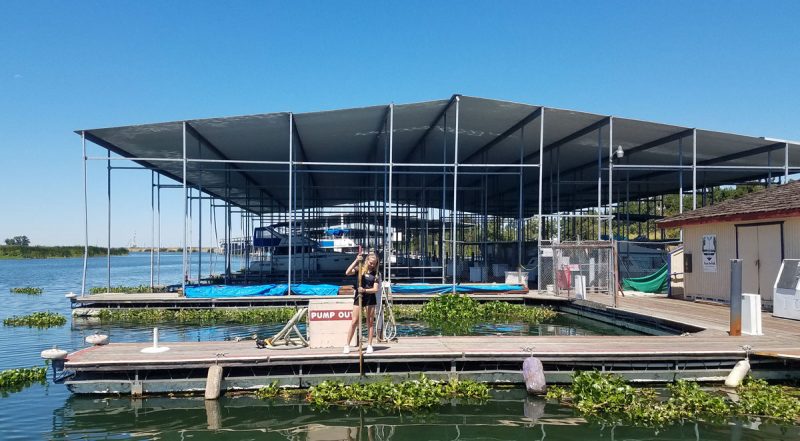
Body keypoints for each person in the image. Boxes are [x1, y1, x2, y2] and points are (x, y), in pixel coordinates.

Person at [343, 250, 380, 354]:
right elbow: (347, 272)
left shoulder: (376, 274)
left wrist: (364, 290)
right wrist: (356, 260)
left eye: (374, 263)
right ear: (367, 260)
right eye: (370, 263)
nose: (372, 265)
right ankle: (347, 345)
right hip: (359, 296)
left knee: (370, 322)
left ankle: (369, 345)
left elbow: (375, 289)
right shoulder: (360, 269)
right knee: (354, 321)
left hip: (370, 298)